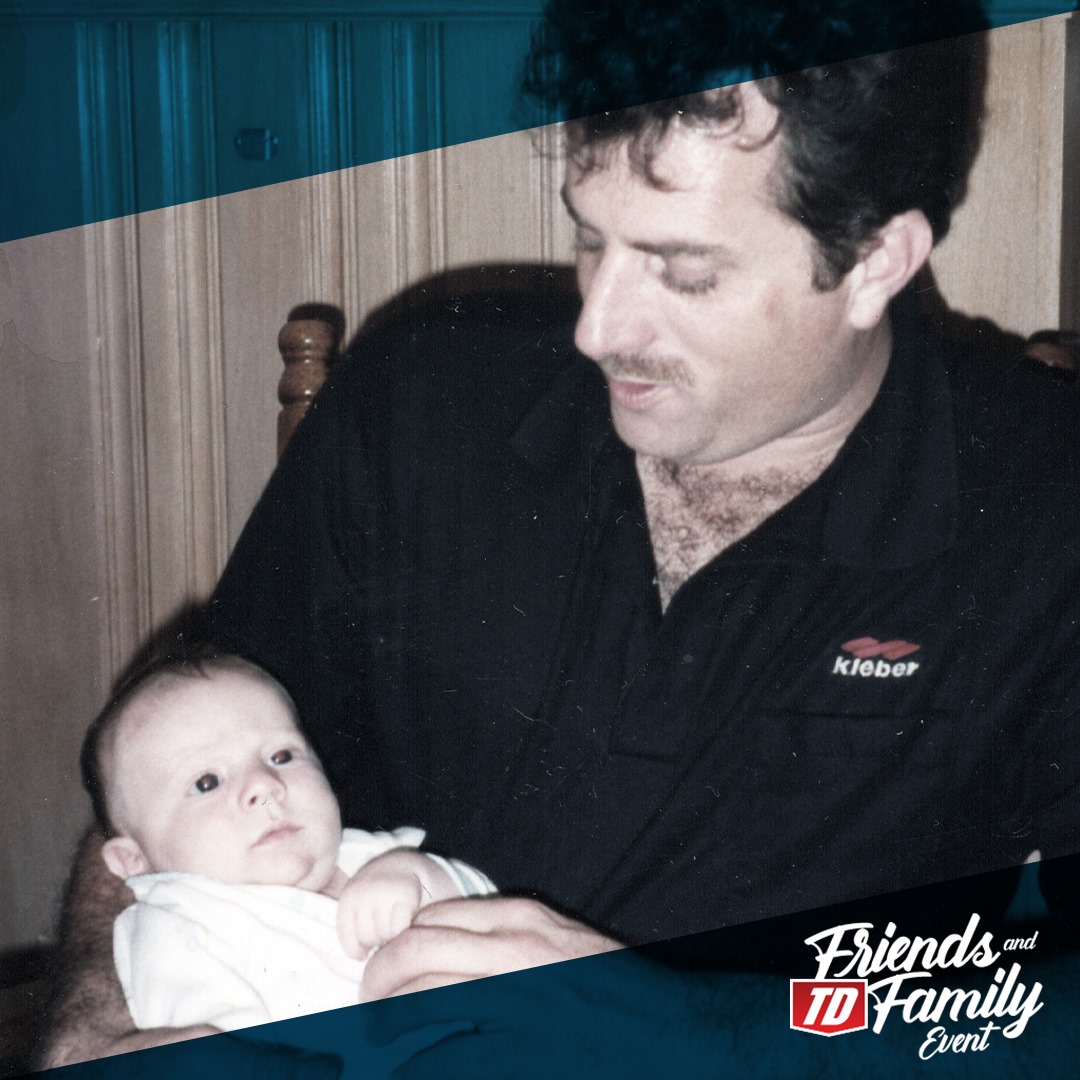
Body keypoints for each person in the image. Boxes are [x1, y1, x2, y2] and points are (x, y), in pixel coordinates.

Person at [41, 0, 1080, 1072]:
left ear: (875, 260)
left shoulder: (1047, 507)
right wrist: (93, 1026)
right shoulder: (422, 402)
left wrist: (697, 1030)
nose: (598, 326)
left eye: (683, 270)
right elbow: (173, 768)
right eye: (590, 239)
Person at [80, 649, 494, 1034]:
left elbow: (492, 912)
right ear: (134, 862)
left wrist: (421, 875)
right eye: (207, 782)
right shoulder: (176, 925)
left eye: (281, 756)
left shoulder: (372, 855)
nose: (264, 785)